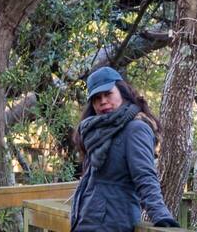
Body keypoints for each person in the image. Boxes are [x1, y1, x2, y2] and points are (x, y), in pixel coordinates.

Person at [70, 66, 180, 231]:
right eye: (96, 98)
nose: (103, 101)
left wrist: (161, 215)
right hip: (86, 221)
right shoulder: (95, 131)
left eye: (108, 94)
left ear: (122, 92)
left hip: (114, 224)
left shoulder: (135, 128)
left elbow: (145, 175)